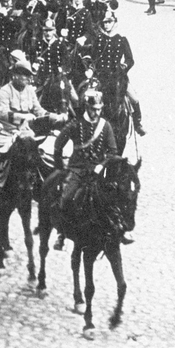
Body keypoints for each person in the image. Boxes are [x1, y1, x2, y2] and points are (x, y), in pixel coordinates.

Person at [52, 88, 134, 247]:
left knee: (114, 197)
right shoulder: (75, 125)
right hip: (77, 169)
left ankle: (121, 230)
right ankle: (61, 233)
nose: (96, 113)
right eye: (93, 109)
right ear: (86, 107)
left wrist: (101, 165)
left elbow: (112, 152)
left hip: (96, 171)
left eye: (99, 109)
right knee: (67, 197)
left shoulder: (105, 126)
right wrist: (60, 168)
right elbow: (58, 145)